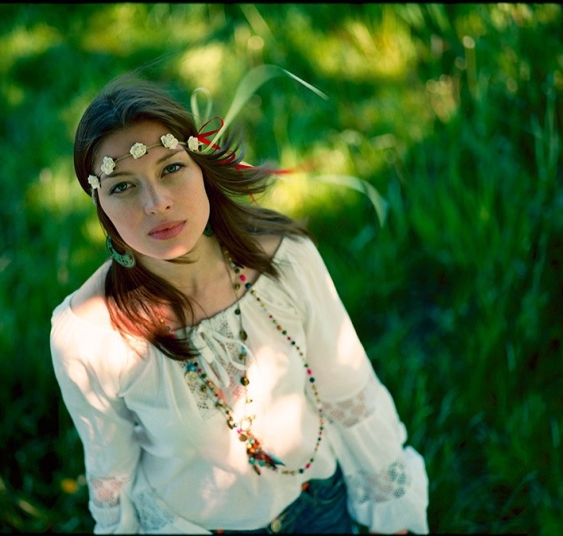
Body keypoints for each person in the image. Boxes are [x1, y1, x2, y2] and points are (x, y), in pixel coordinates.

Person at [50, 75, 429, 534]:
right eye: (122, 187)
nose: (156, 203)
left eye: (171, 168)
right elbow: (112, 472)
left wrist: (394, 515)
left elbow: (347, 385)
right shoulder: (89, 335)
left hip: (318, 506)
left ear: (201, 168)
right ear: (101, 206)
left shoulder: (284, 258)